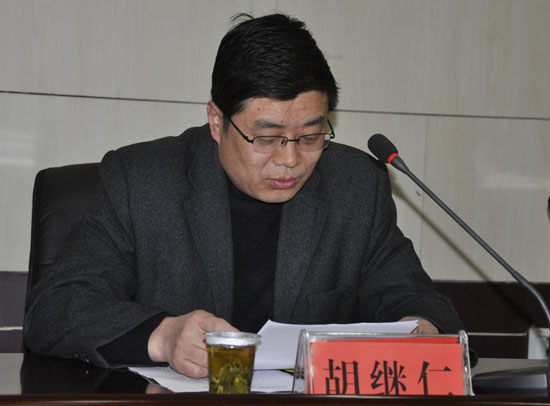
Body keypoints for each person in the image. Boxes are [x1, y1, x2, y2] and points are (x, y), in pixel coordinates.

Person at [24, 13, 464, 379]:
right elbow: (55, 309)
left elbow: (415, 300)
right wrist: (163, 336)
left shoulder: (355, 186)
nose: (290, 160)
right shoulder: (141, 181)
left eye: (311, 136)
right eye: (267, 138)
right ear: (217, 122)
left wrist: (420, 329)